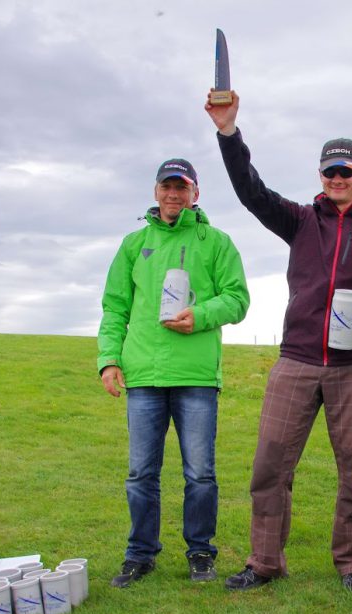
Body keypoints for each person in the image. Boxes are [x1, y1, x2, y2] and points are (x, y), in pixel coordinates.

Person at [205, 92, 352, 593]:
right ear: (320, 176)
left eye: (346, 171)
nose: (337, 180)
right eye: (329, 173)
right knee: (269, 466)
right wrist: (229, 133)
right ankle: (264, 562)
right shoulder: (300, 221)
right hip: (297, 361)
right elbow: (250, 192)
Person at [97, 158, 250, 588]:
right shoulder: (133, 244)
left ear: (195, 194)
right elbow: (115, 307)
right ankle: (139, 555)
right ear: (155, 191)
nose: (173, 195)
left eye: (182, 187)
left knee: (200, 473)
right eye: (167, 186)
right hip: (143, 374)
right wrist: (109, 359)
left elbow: (238, 299)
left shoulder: (216, 242)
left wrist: (200, 315)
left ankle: (200, 553)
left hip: (196, 376)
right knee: (140, 474)